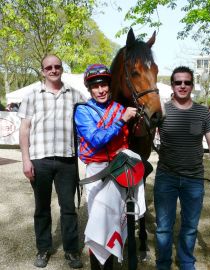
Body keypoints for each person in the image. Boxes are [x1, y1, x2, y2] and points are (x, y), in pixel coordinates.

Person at [154, 66, 210, 270]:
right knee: (163, 228)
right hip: (166, 177)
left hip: (194, 180)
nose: (182, 86)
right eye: (178, 82)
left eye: (187, 82)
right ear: (172, 85)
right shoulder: (161, 110)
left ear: (192, 85)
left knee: (189, 227)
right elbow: (142, 135)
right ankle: (163, 264)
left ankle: (186, 262)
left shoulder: (203, 112)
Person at [74, 64, 145, 270]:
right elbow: (96, 139)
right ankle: (97, 266)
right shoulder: (83, 111)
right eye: (95, 86)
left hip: (119, 170)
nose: (101, 90)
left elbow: (128, 141)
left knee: (116, 218)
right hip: (96, 171)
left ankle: (111, 264)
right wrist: (121, 120)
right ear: (89, 89)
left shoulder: (120, 108)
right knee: (98, 222)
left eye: (104, 85)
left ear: (109, 86)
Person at [17, 54, 85, 269]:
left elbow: (90, 120)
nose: (53, 70)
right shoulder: (31, 96)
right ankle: (43, 249)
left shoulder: (75, 95)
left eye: (57, 66)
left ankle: (72, 251)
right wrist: (25, 160)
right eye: (49, 67)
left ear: (62, 69)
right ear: (42, 70)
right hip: (40, 160)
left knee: (69, 209)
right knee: (42, 208)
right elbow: (24, 130)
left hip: (67, 161)